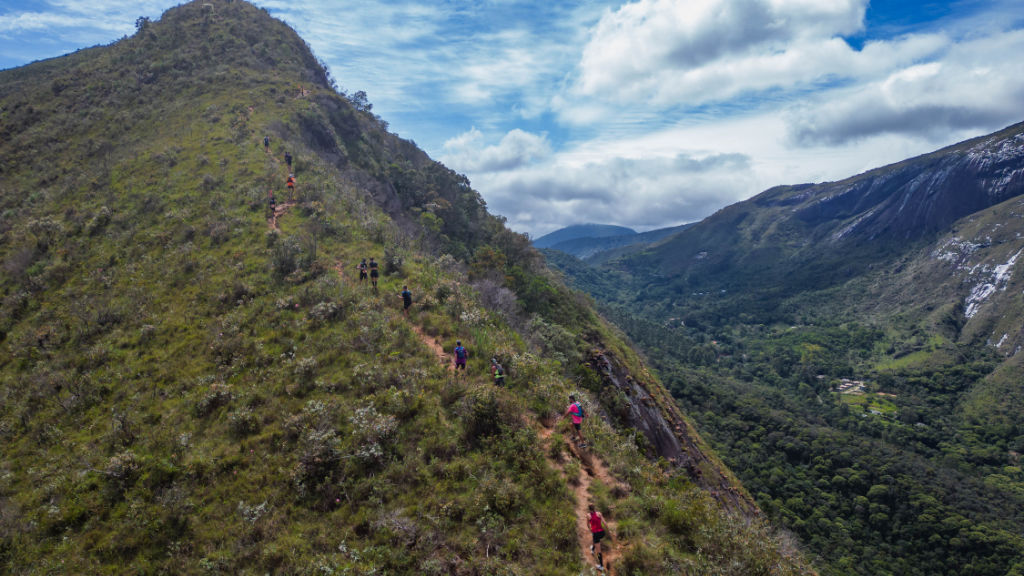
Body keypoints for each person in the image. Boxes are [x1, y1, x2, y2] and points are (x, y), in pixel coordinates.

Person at [588, 504, 608, 570]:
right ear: (594, 508)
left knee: (599, 551)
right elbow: (605, 523)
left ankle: (601, 566)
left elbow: (588, 525)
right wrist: (608, 530)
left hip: (596, 533)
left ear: (589, 509)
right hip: (602, 533)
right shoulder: (599, 513)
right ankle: (592, 549)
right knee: (595, 539)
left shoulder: (588, 515)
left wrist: (590, 529)